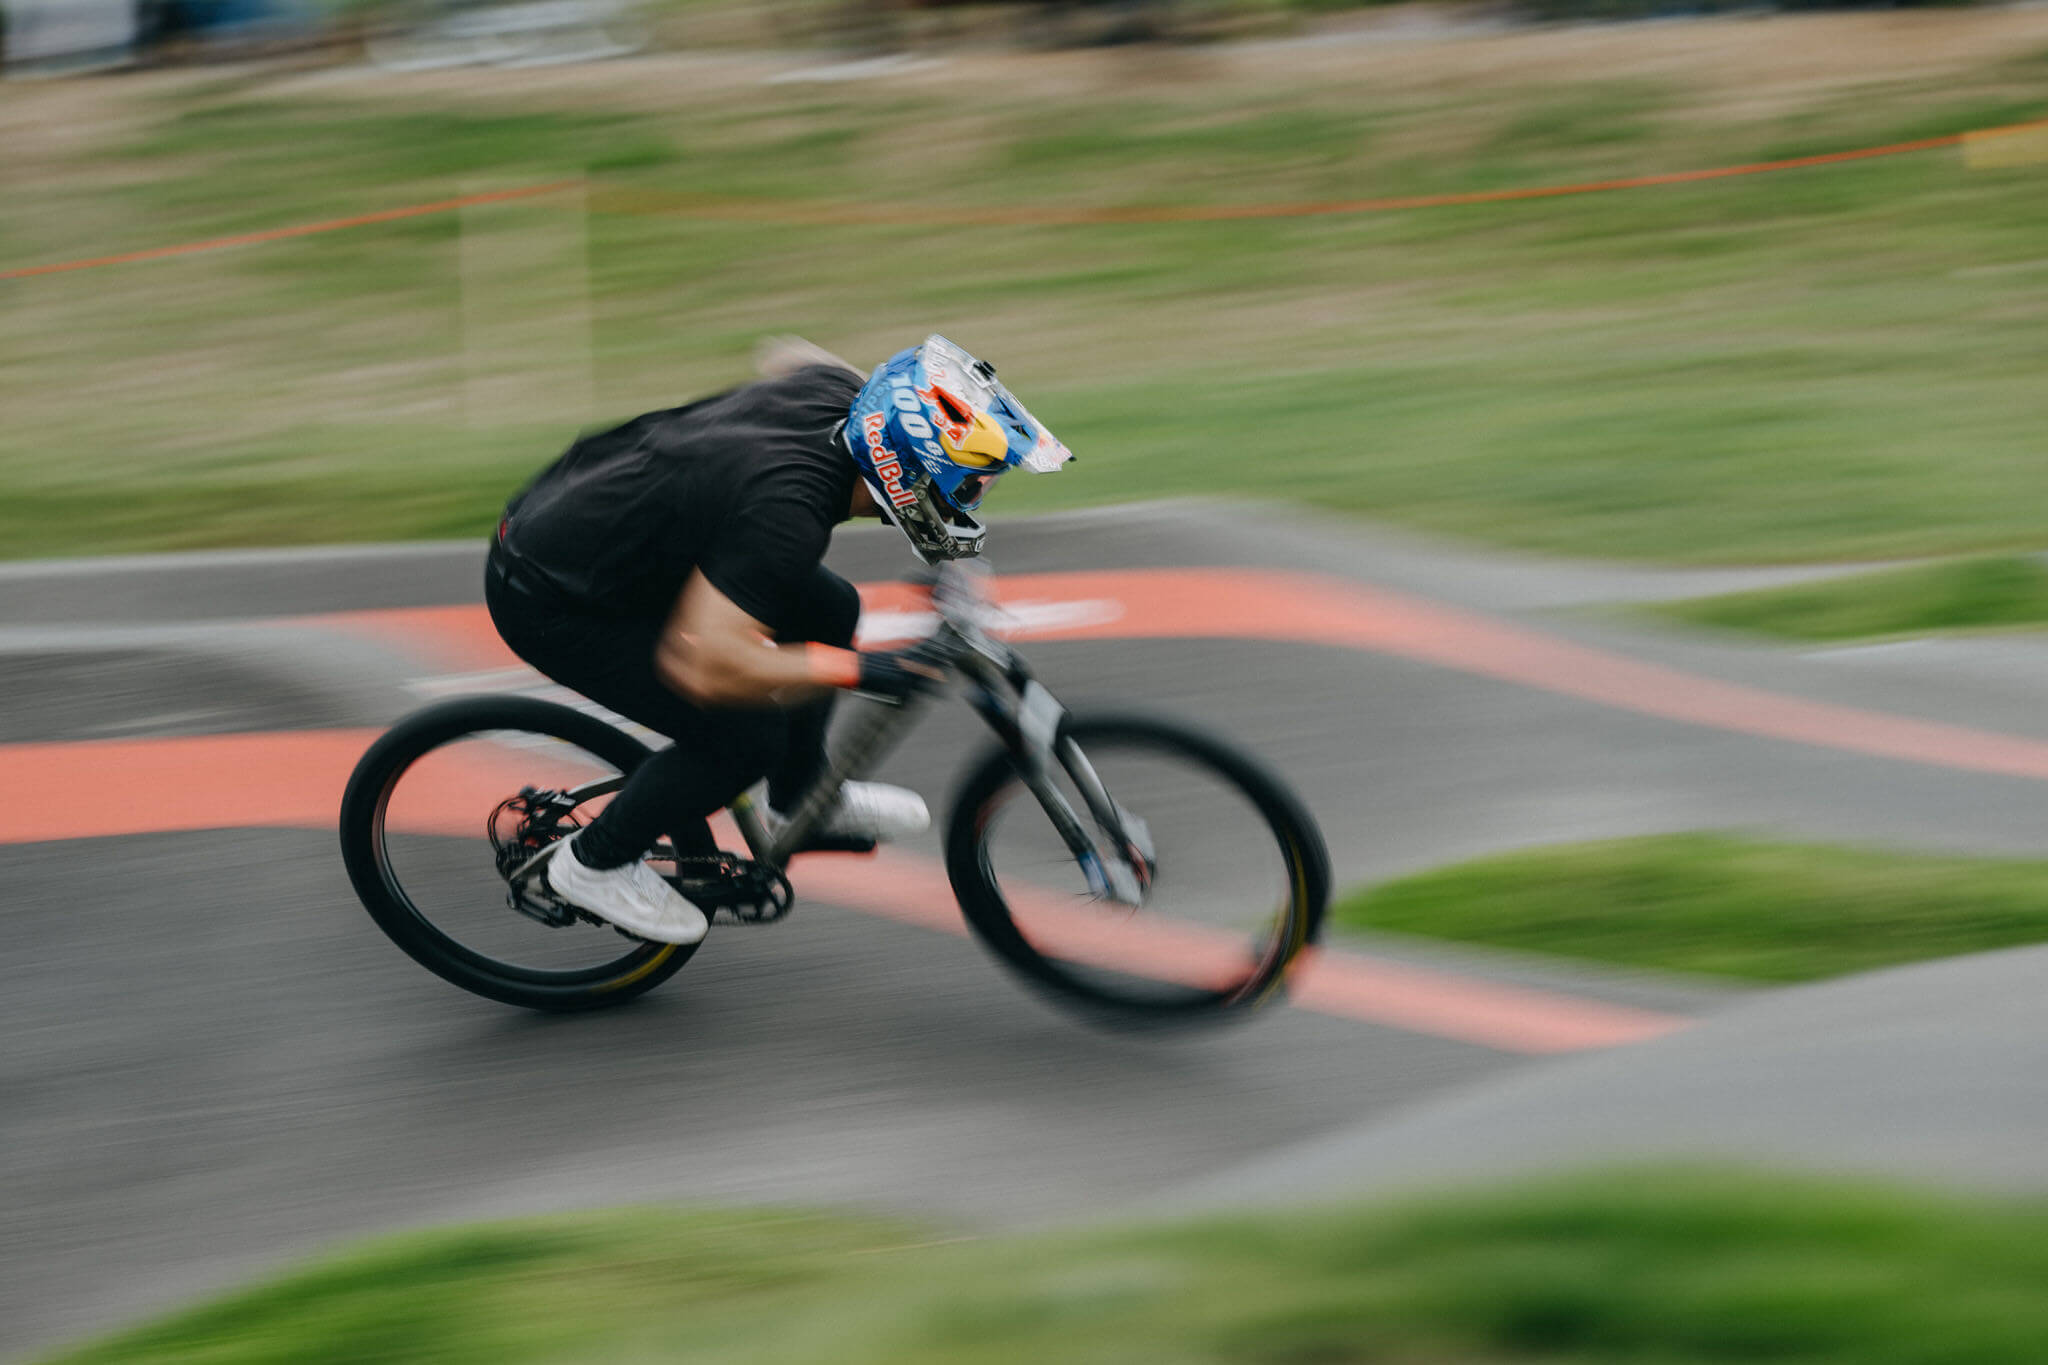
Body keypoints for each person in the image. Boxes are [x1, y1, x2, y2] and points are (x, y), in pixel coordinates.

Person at [484, 334, 1073, 946]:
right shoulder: (784, 517)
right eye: (972, 484)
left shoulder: (846, 404)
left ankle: (798, 800)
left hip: (601, 532)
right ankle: (591, 864)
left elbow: (788, 355)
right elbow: (708, 667)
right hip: (553, 595)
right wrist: (865, 671)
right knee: (743, 740)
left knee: (830, 607)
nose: (975, 499)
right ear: (911, 468)